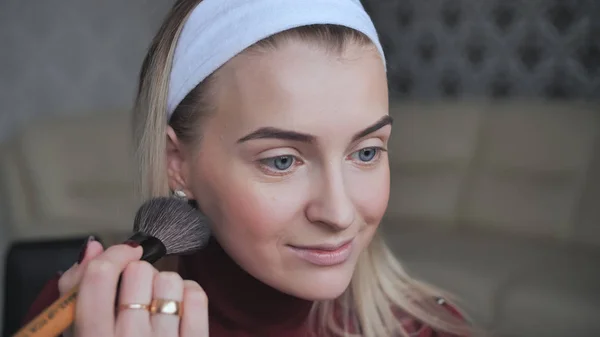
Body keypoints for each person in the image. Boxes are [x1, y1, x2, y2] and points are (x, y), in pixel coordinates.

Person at [23, 0, 475, 336]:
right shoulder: (77, 320)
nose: (338, 213)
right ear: (178, 164)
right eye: (282, 161)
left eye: (367, 152)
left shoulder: (430, 329)